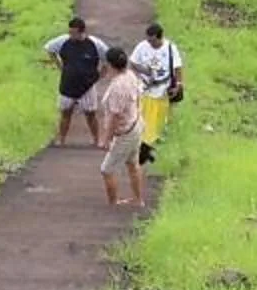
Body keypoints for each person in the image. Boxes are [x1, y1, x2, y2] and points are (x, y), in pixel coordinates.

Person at [93, 42, 147, 209]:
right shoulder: (131, 75)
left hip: (125, 131)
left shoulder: (117, 87)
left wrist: (105, 139)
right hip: (135, 124)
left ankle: (114, 204)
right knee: (132, 163)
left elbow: (114, 116)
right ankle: (138, 200)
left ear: (109, 64)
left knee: (107, 169)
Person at [127, 20, 183, 164]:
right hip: (145, 90)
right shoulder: (142, 46)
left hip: (162, 91)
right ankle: (143, 149)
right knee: (143, 120)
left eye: (152, 41)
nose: (149, 43)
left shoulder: (170, 48)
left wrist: (178, 85)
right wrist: (143, 73)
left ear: (159, 37)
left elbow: (177, 68)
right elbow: (133, 63)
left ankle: (146, 148)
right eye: (148, 40)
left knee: (158, 122)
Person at [44, 15, 102, 146]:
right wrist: (59, 66)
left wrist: (100, 74)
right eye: (69, 32)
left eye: (73, 33)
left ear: (82, 31)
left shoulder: (94, 43)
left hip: (87, 86)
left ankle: (97, 140)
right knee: (65, 113)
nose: (70, 35)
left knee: (91, 114)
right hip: (67, 85)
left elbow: (108, 55)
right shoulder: (63, 41)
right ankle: (61, 140)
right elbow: (49, 49)